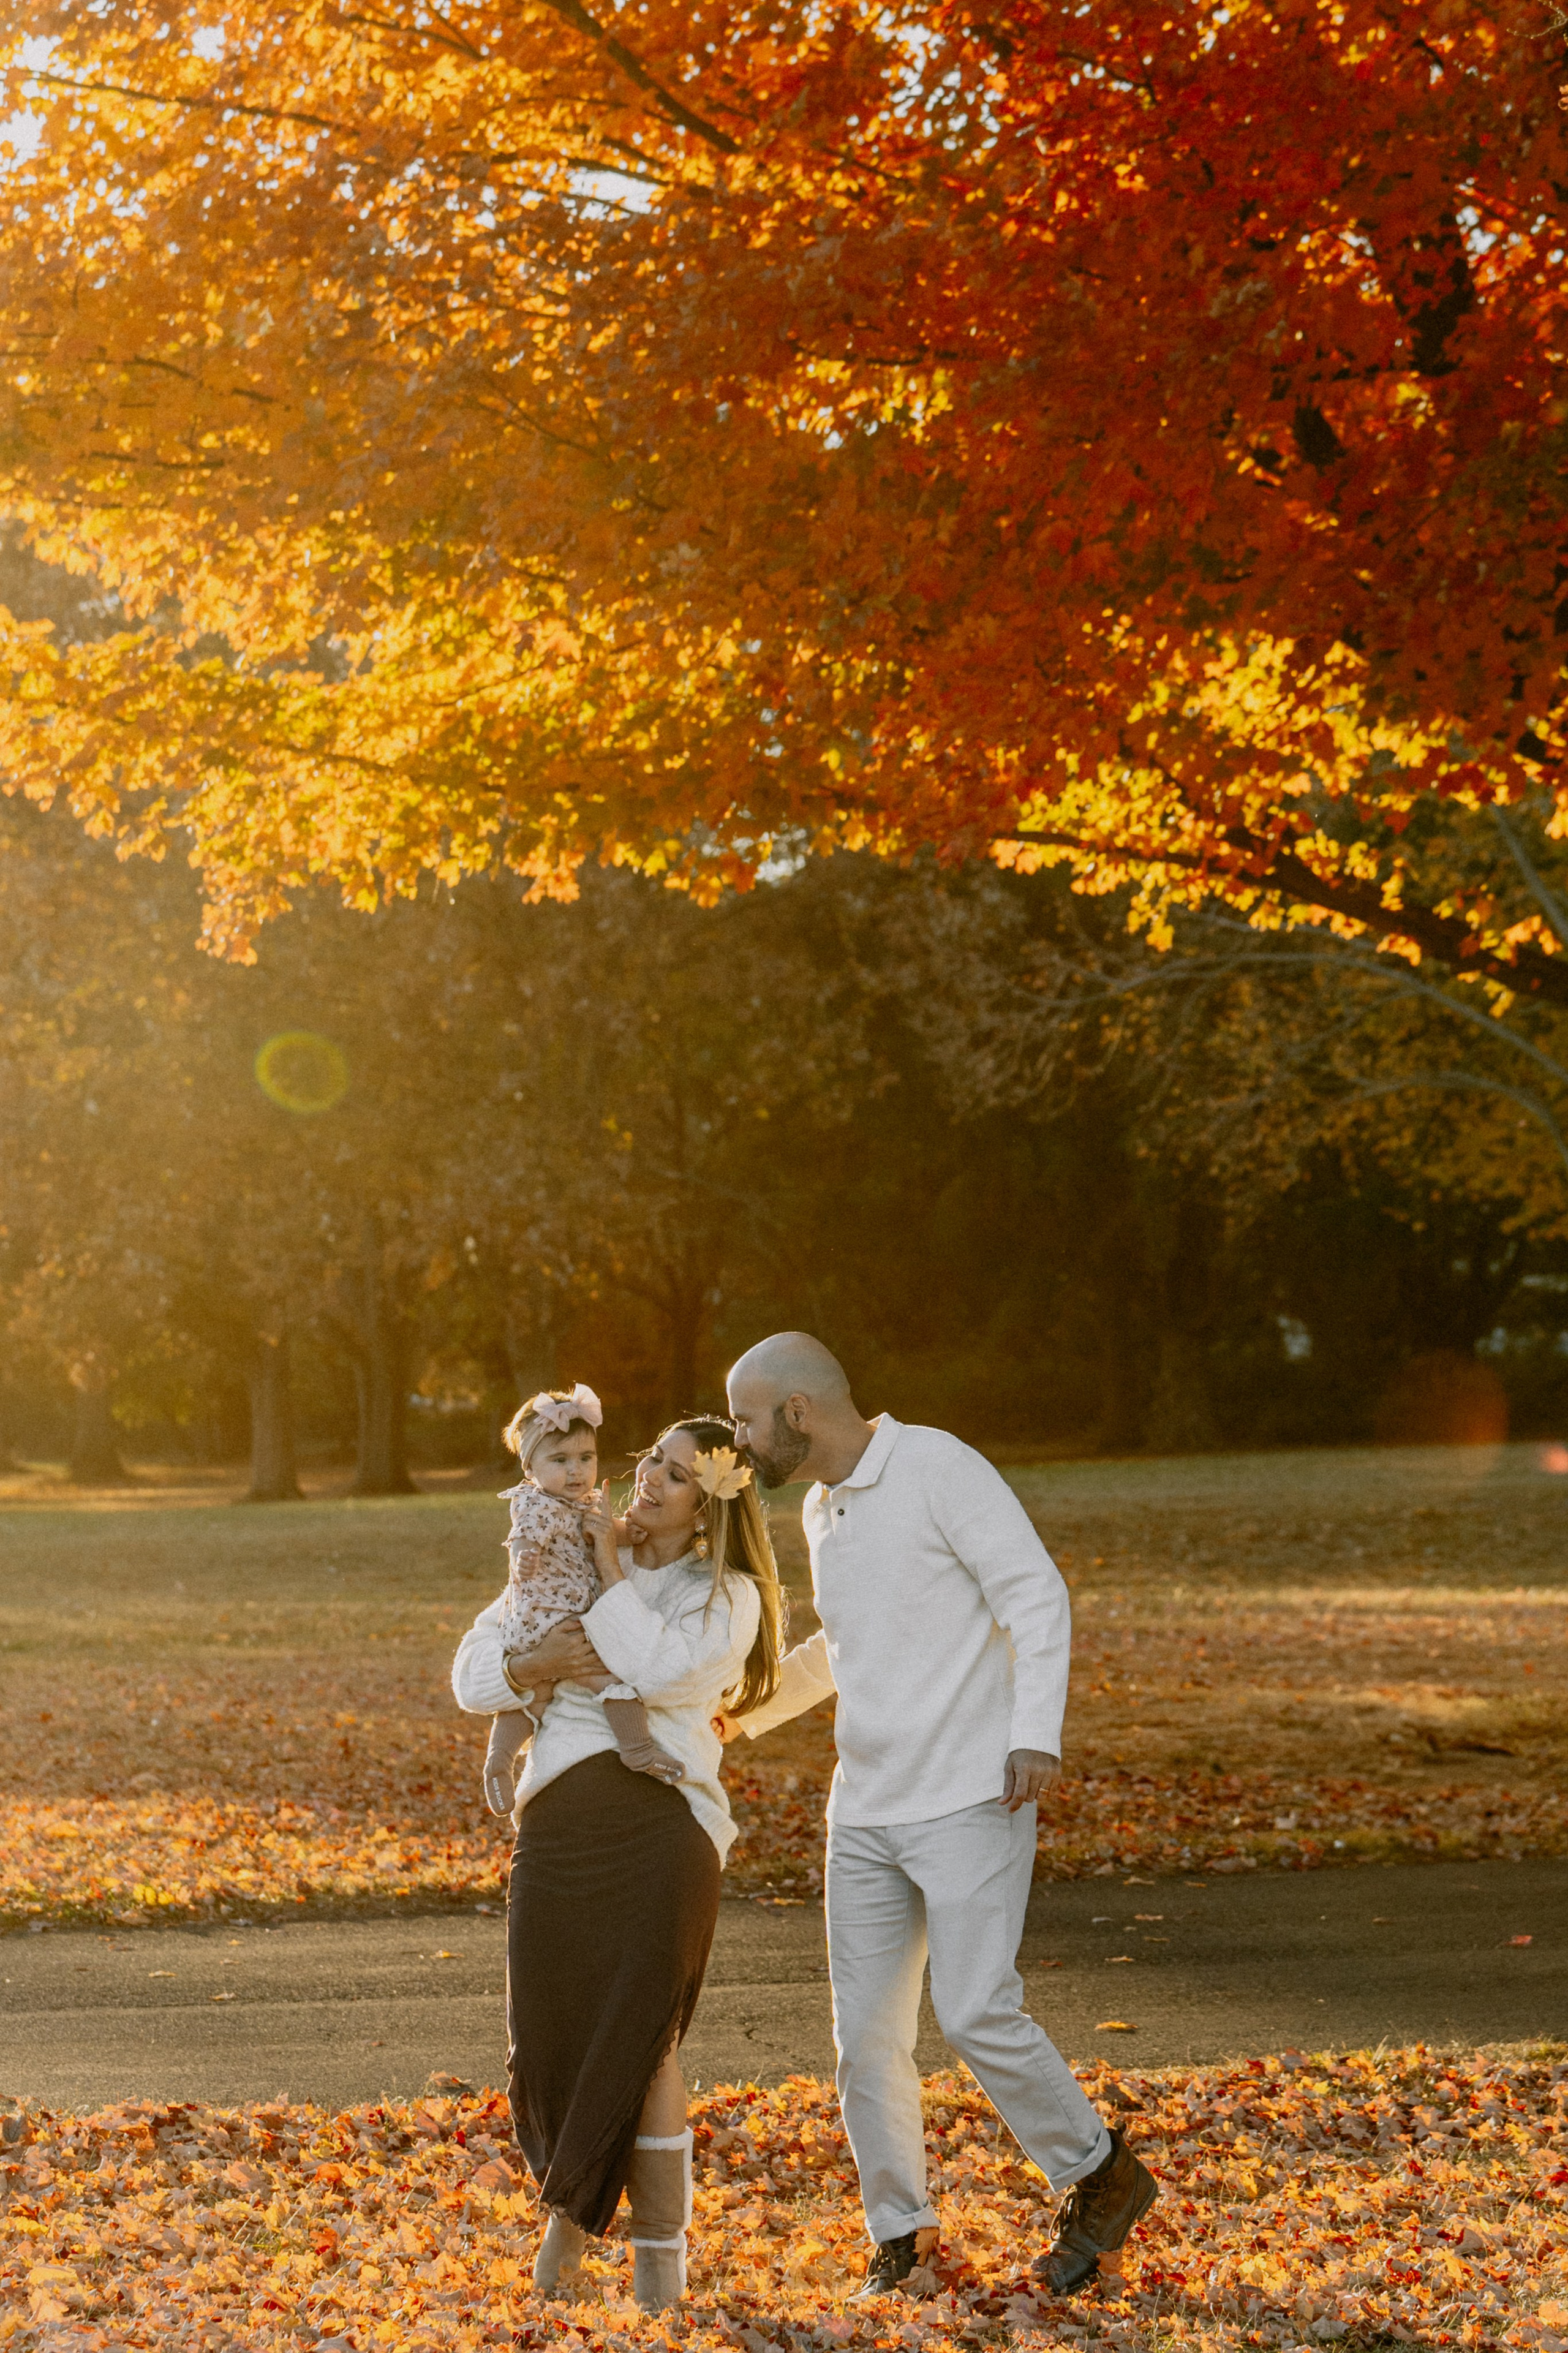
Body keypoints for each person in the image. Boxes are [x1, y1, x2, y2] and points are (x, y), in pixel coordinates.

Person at [719, 1332, 1158, 2300]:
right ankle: (901, 2236)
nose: (740, 1442)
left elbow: (1035, 1594)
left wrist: (1034, 1732)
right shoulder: (825, 1508)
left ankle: (1101, 2173)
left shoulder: (938, 1466)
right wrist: (739, 1715)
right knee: (866, 2037)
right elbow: (848, 1643)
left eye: (748, 1418)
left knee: (974, 2010)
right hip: (865, 1809)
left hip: (971, 1793)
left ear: (798, 1410)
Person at [451, 1416, 783, 2313]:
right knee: (546, 2039)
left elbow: (661, 1671)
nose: (648, 1481)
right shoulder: (559, 1539)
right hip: (559, 1825)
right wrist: (534, 1660)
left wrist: (606, 1577)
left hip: (661, 1831)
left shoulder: (729, 1594)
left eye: (676, 1477)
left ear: (707, 1510)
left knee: (643, 2043)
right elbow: (475, 1670)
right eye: (651, 1462)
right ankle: (572, 2204)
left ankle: (651, 2269)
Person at [481, 1381, 685, 1813]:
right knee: (608, 1682)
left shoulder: (584, 1502)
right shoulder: (537, 1504)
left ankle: (500, 1762)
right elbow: (523, 1538)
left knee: (537, 1696)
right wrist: (524, 1559)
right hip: (550, 1618)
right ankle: (638, 1749)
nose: (576, 1471)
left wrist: (627, 1532)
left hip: (563, 1616)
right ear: (531, 1469)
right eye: (560, 1460)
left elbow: (599, 1531)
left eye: (585, 1458)